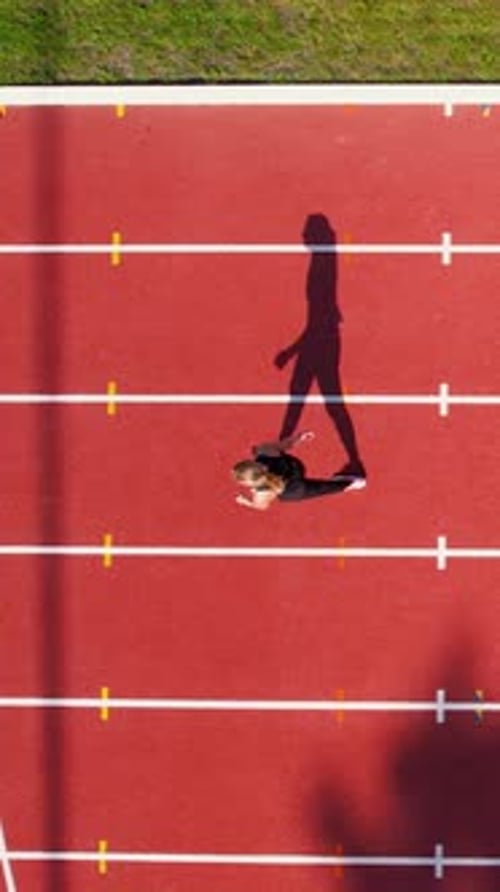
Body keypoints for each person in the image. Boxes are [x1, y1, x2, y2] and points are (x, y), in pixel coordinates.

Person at [232, 431, 366, 511]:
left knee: (323, 489)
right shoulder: (264, 451)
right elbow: (285, 445)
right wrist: (299, 437)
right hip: (294, 467)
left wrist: (245, 502)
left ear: (249, 483)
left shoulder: (262, 492)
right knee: (321, 486)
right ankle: (350, 483)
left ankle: (352, 483)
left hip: (293, 489)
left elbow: (261, 506)